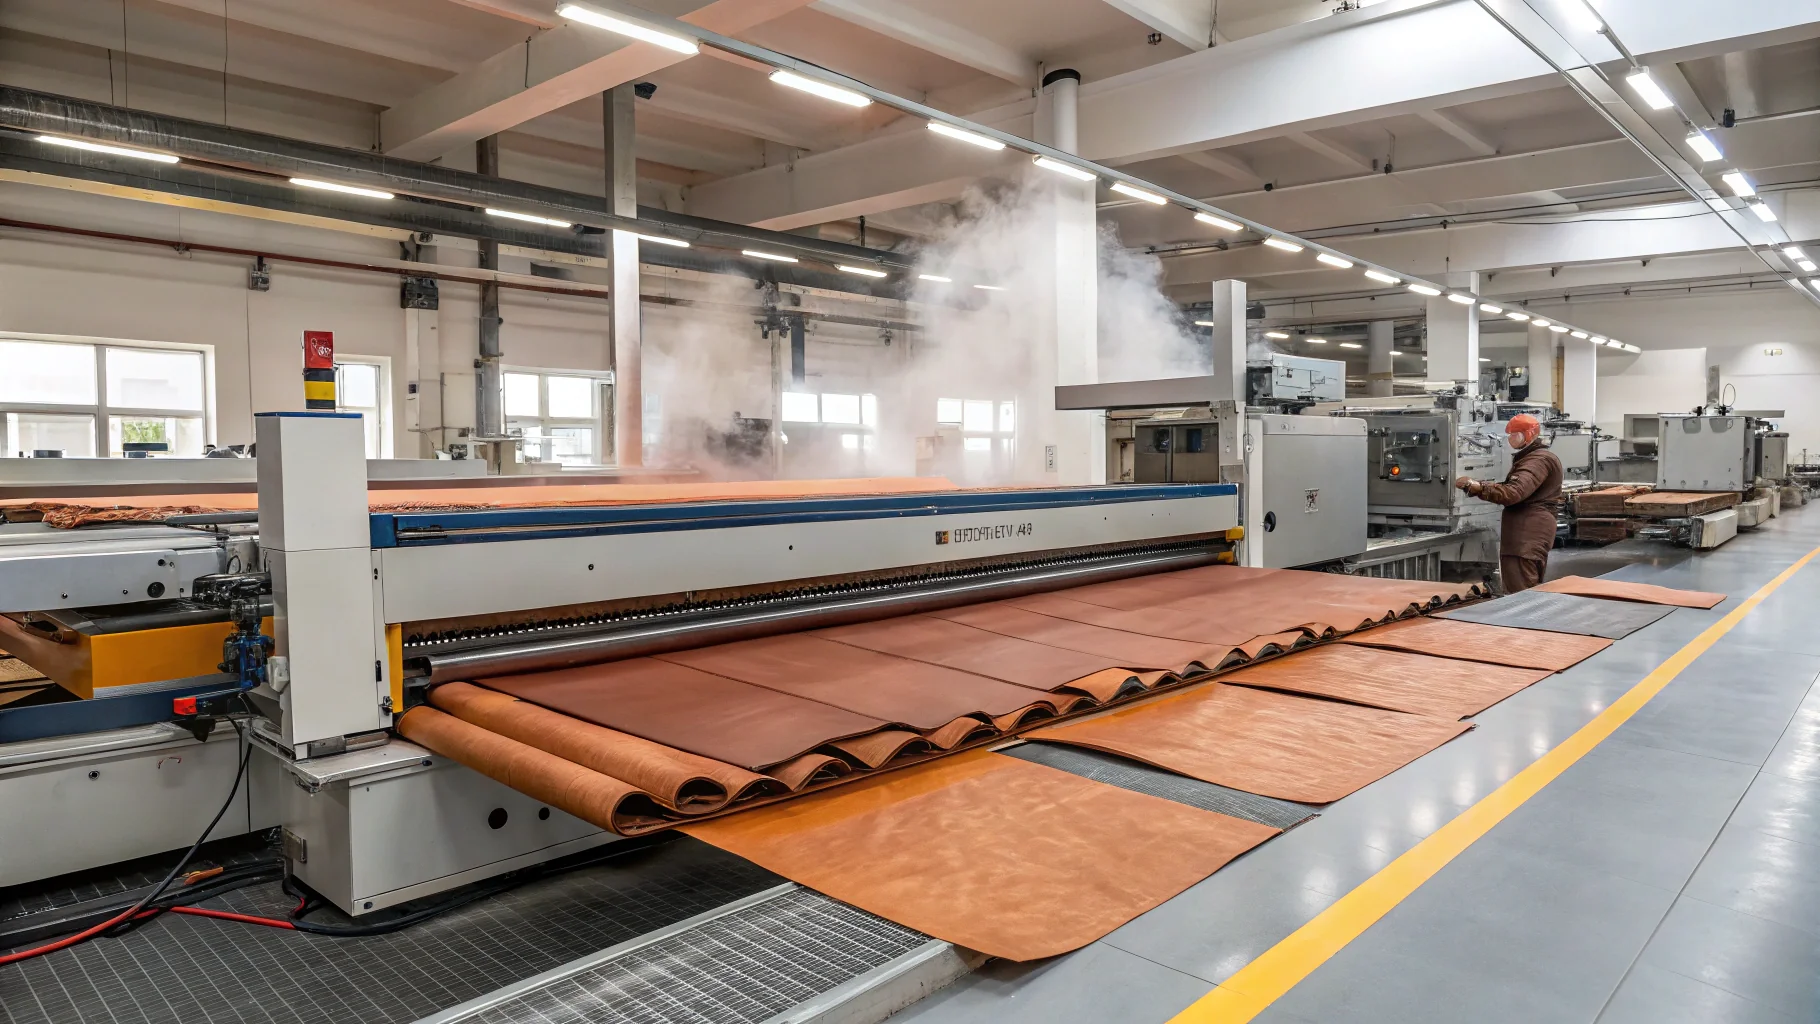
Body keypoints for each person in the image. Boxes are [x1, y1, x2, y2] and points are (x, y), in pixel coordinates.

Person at [1455, 413, 1562, 593]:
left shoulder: (1537, 460)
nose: (1510, 439)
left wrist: (1477, 487)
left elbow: (1513, 492)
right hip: (1527, 533)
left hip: (1526, 535)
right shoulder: (1532, 457)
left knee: (1521, 592)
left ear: (1528, 434)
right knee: (1525, 588)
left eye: (1515, 434)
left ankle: (1523, 621)